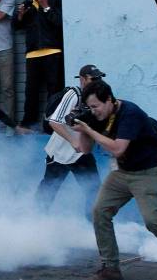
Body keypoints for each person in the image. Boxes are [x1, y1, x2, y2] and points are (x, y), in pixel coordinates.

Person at [71, 80, 157, 280]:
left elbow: (117, 149)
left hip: (149, 172)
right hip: (123, 172)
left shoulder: (130, 113)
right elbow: (85, 149)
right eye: (90, 107)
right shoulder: (96, 116)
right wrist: (83, 128)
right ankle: (110, 268)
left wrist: (90, 129)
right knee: (99, 211)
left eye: (96, 106)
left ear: (109, 101)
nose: (93, 111)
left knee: (153, 220)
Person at [35, 64, 105, 215]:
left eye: (99, 78)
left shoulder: (100, 96)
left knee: (94, 191)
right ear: (82, 79)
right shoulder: (74, 94)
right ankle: (35, 222)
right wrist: (73, 141)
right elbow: (54, 122)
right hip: (60, 154)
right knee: (48, 191)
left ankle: (93, 226)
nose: (97, 82)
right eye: (94, 78)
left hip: (82, 154)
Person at [13, 0, 64, 133]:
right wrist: (20, 15)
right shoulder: (26, 3)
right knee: (31, 91)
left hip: (52, 51)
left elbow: (59, 22)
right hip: (32, 53)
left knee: (54, 91)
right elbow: (16, 26)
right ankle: (28, 123)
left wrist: (46, 7)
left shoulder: (54, 1)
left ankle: (51, 126)